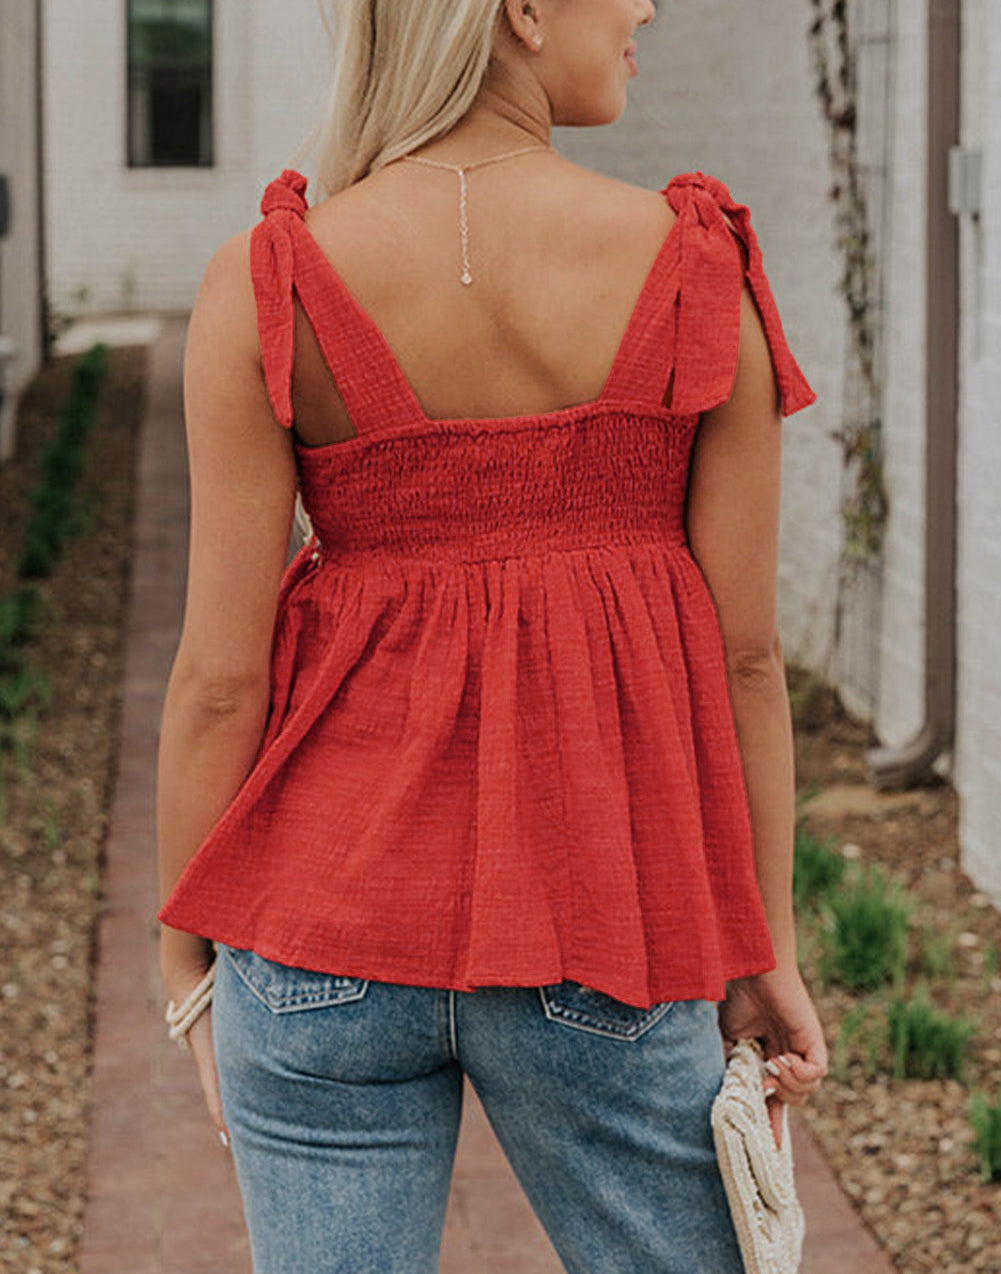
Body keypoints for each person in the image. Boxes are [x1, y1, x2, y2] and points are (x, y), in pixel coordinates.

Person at [156, 0, 829, 1270]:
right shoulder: (693, 266)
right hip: (601, 924)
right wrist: (761, 945)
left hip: (317, 933)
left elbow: (217, 680)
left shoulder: (270, 280)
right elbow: (743, 660)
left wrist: (185, 948)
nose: (644, 8)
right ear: (520, 9)